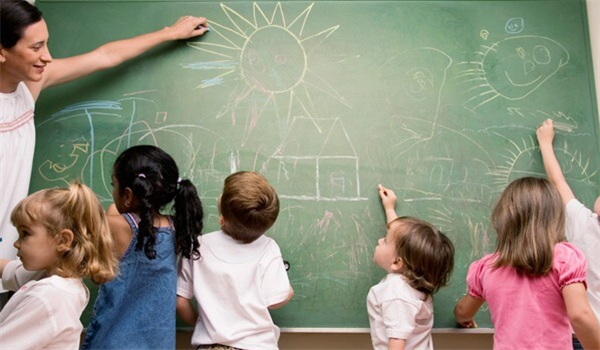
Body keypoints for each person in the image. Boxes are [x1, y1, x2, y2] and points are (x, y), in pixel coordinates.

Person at [0, 0, 208, 294]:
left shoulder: (27, 87)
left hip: (15, 252)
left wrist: (169, 33)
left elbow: (105, 56)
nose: (47, 57)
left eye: (46, 44)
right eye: (36, 47)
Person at [454, 177, 600, 350]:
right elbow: (580, 316)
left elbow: (463, 312)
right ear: (554, 217)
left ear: (503, 218)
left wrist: (462, 317)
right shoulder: (565, 259)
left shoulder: (487, 267)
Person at [81, 145, 204, 349]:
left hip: (114, 343)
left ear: (128, 195)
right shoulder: (176, 227)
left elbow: (106, 214)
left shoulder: (118, 226)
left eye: (114, 185)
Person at [177, 171, 294, 350]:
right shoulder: (268, 248)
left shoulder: (198, 246)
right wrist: (288, 292)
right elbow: (275, 300)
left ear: (223, 217)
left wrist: (202, 325)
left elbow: (180, 301)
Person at [0, 181, 118, 349]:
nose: (17, 243)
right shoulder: (60, 281)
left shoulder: (47, 297)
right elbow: (10, 270)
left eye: (25, 233)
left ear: (63, 240)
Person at [537, 118, 600, 349]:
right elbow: (557, 182)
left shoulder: (584, 223)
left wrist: (545, 143)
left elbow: (557, 182)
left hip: (581, 335)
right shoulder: (585, 221)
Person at [368, 184, 455, 350]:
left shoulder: (397, 294)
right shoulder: (413, 283)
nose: (380, 240)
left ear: (397, 263)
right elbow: (400, 238)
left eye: (385, 240)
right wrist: (389, 208)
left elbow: (397, 343)